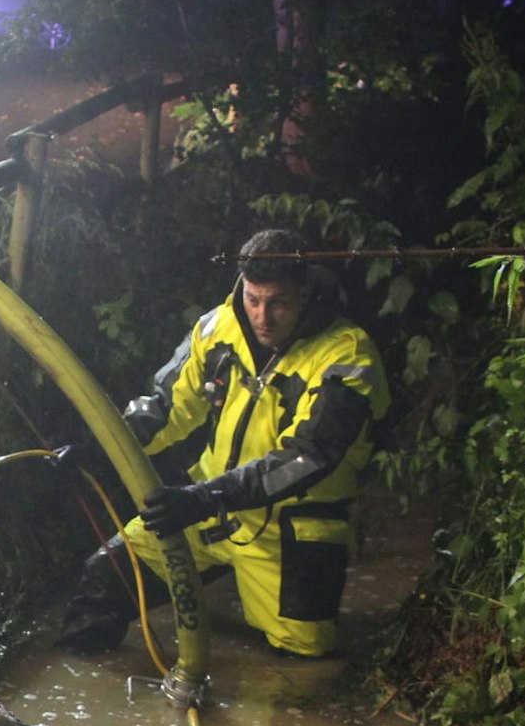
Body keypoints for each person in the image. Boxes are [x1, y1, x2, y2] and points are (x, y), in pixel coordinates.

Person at [57, 229, 391, 659]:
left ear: (304, 294)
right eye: (253, 299)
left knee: (307, 659)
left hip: (288, 529)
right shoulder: (218, 327)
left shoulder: (347, 356)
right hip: (205, 513)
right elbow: (166, 407)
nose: (262, 316)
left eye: (278, 303)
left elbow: (308, 458)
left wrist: (203, 498)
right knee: (104, 577)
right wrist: (97, 447)